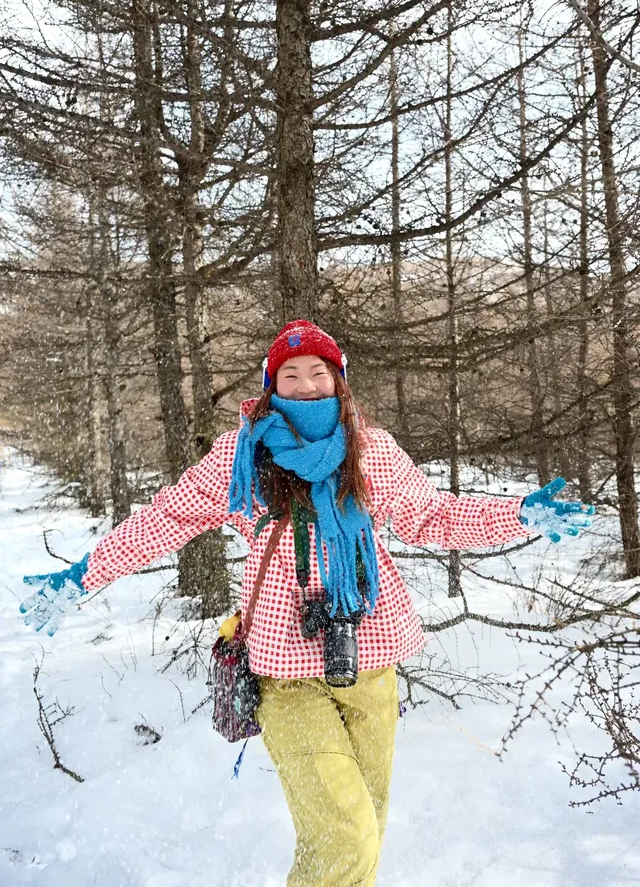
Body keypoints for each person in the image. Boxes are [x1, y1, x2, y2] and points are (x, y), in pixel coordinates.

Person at [20, 319, 594, 887]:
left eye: (317, 372)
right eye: (289, 375)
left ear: (338, 380)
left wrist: (519, 516)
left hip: (370, 661)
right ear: (272, 387)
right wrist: (82, 576)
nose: (305, 385)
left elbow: (432, 514)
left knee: (360, 835)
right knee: (346, 836)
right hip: (284, 673)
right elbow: (168, 517)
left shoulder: (369, 451)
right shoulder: (241, 457)